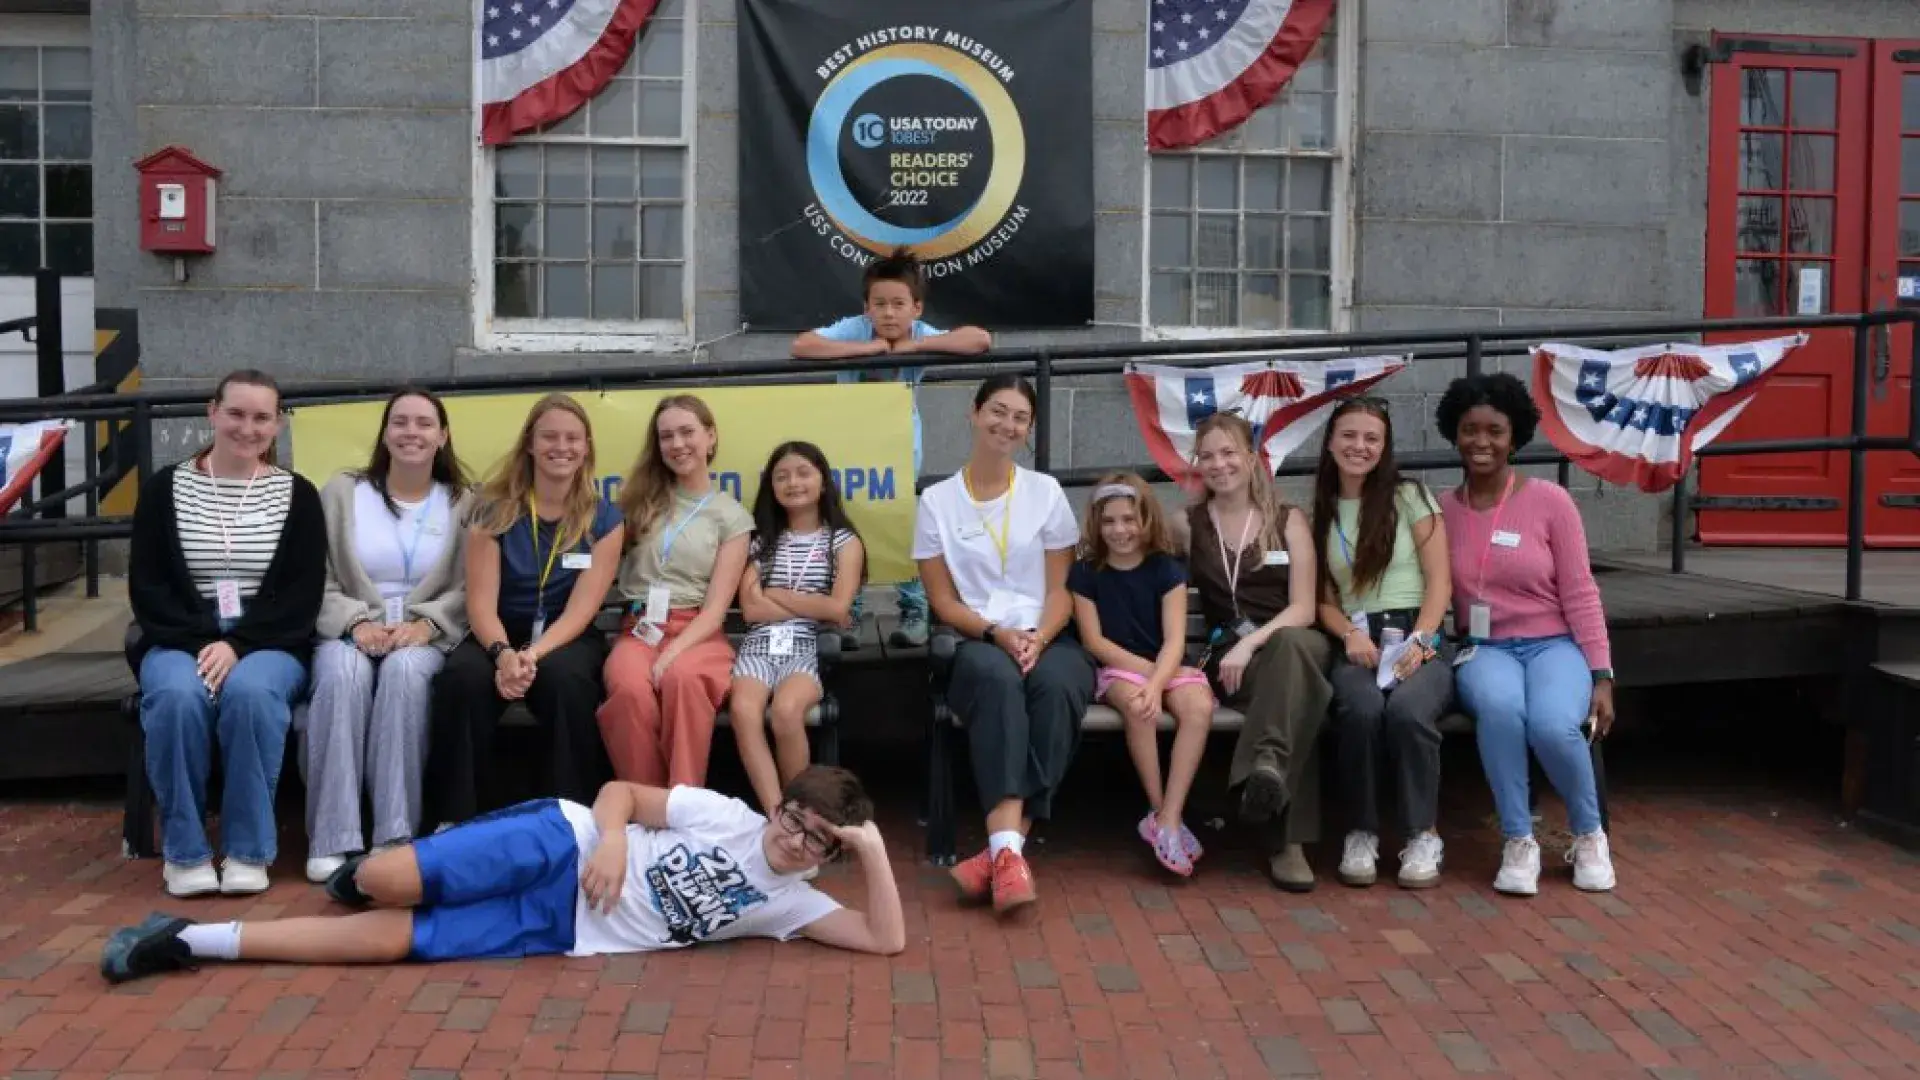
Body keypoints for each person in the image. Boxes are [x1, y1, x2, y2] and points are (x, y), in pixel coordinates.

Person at [98, 765, 906, 983]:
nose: (799, 842)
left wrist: (870, 852)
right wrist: (615, 842)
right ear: (779, 808)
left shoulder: (789, 906)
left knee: (388, 946)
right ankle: (374, 869)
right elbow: (621, 794)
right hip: (566, 841)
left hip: (563, 929)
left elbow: (883, 942)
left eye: (820, 843)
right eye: (797, 820)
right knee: (379, 884)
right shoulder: (724, 814)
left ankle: (187, 940)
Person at [128, 369, 326, 897]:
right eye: (236, 413)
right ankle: (185, 853)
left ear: (278, 425)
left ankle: (247, 850)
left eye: (262, 417)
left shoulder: (298, 496)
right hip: (180, 636)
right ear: (212, 412)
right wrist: (203, 642)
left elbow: (302, 595)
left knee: (252, 696)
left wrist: (238, 645)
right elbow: (148, 586)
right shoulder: (164, 489)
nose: (248, 427)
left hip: (268, 641)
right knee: (175, 696)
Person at [914, 374, 1093, 915]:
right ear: (973, 412)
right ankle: (1011, 853)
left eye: (1019, 417)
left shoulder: (1045, 493)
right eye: (997, 410)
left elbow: (1062, 587)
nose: (1006, 424)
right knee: (995, 681)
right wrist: (996, 634)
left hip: (1048, 633)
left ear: (1029, 428)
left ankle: (1002, 850)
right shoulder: (937, 501)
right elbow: (943, 602)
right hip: (979, 637)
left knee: (1058, 685)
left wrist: (1038, 637)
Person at [1435, 374, 1616, 896]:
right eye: (1470, 430)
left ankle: (1588, 835)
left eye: (1495, 430)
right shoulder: (1442, 509)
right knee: (1500, 711)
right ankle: (1518, 840)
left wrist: (1601, 673)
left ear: (1515, 438)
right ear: (1455, 435)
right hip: (1483, 647)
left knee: (1554, 724)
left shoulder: (1550, 501)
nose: (1482, 441)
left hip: (1553, 644)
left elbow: (1581, 592)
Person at [423, 394, 623, 829]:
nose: (561, 446)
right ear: (530, 444)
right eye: (549, 436)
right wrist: (502, 654)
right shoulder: (493, 510)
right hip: (497, 629)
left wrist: (531, 655)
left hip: (564, 634)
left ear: (586, 447)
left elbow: (582, 609)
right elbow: (479, 600)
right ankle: (453, 819)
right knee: (464, 679)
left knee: (567, 682)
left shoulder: (604, 518)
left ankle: (569, 818)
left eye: (572, 438)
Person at [305, 388, 475, 883]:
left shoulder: (465, 501)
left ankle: (393, 835)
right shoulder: (342, 492)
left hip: (425, 634)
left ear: (443, 436)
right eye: (400, 422)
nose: (411, 433)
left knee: (405, 674)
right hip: (353, 629)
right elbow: (319, 578)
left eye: (424, 424)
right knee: (340, 675)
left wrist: (427, 624)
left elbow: (472, 585)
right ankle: (331, 836)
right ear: (384, 432)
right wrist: (356, 622)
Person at [791, 246, 992, 649]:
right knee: (849, 522)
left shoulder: (919, 334)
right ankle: (849, 609)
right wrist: (866, 350)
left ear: (916, 308)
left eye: (899, 304)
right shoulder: (855, 329)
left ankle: (914, 607)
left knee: (903, 522)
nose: (888, 313)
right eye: (879, 304)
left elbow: (979, 340)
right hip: (849, 442)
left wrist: (915, 349)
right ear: (866, 308)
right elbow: (803, 346)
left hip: (900, 446)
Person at [1182, 412, 1332, 893]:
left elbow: (1305, 608)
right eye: (1207, 456)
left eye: (1229, 453)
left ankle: (1265, 766)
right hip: (1229, 665)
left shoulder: (1288, 520)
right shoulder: (1188, 525)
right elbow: (1127, 549)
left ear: (1251, 459)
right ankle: (1287, 839)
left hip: (1290, 642)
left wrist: (1251, 641)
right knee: (1293, 700)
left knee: (1292, 658)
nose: (1219, 464)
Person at [1309, 398, 1452, 890]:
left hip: (1417, 630)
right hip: (1359, 639)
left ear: (1385, 446)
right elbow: (1323, 602)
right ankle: (1362, 831)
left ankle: (1421, 834)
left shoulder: (1410, 497)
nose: (1359, 446)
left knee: (1410, 712)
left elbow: (1440, 581)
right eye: (1349, 435)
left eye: (1372, 438)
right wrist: (1348, 633)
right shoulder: (1323, 510)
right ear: (1330, 441)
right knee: (1362, 709)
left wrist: (1423, 639)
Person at [598, 395, 754, 789]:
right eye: (666, 436)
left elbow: (716, 611)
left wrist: (672, 651)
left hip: (697, 632)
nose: (677, 444)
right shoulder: (638, 503)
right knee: (629, 689)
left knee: (682, 679)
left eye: (687, 432)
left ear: (710, 437)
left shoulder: (731, 516)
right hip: (639, 628)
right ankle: (649, 805)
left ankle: (685, 802)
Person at [1068, 472, 1212, 877]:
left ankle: (1170, 815)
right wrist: (1151, 682)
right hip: (1119, 670)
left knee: (1198, 708)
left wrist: (1159, 679)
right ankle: (1156, 807)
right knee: (1138, 705)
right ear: (1097, 524)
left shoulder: (1166, 570)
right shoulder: (1086, 573)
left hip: (1165, 665)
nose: (1120, 530)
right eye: (1110, 521)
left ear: (1146, 519)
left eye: (1129, 519)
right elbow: (1095, 642)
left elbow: (1174, 640)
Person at [731, 441, 865, 816]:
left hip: (809, 645)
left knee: (787, 711)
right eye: (782, 476)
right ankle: (779, 813)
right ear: (771, 486)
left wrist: (775, 591)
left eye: (803, 473)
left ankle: (804, 811)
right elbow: (751, 609)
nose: (793, 482)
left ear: (823, 482)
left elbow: (837, 608)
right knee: (744, 710)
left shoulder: (843, 541)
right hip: (759, 645)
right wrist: (805, 601)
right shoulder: (761, 540)